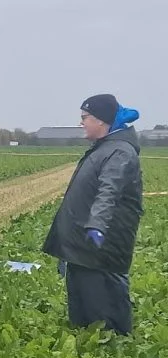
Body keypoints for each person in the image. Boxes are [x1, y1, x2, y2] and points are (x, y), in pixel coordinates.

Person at [43, 94, 143, 335]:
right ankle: (89, 341)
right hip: (84, 245)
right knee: (84, 299)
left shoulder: (119, 152)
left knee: (105, 298)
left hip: (102, 243)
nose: (81, 123)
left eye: (85, 117)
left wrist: (97, 225)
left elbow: (109, 190)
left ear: (101, 120)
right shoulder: (105, 148)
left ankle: (114, 346)